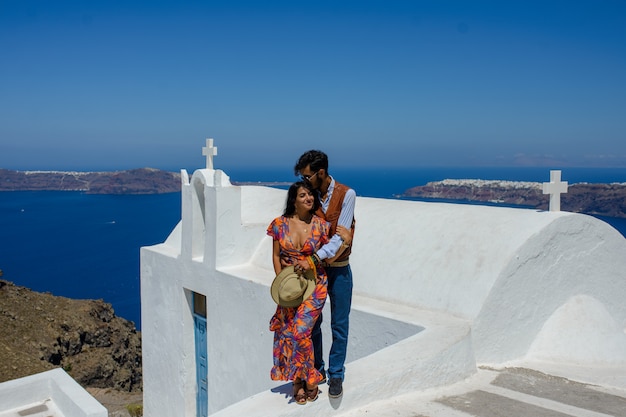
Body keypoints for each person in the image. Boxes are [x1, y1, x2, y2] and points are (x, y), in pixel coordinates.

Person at [293, 150, 356, 399]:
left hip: (338, 270)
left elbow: (340, 237)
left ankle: (336, 374)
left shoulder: (347, 195)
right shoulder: (310, 197)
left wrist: (317, 256)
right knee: (313, 323)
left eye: (308, 176)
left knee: (339, 325)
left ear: (321, 173)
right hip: (316, 272)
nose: (305, 181)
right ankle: (316, 370)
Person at [267, 181, 331, 405]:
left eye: (311, 195)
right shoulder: (279, 224)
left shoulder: (321, 226)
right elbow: (276, 256)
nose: (309, 199)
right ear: (293, 199)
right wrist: (281, 283)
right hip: (290, 286)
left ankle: (309, 379)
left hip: (315, 284)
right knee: (287, 331)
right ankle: (297, 380)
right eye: (303, 195)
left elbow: (328, 254)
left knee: (301, 332)